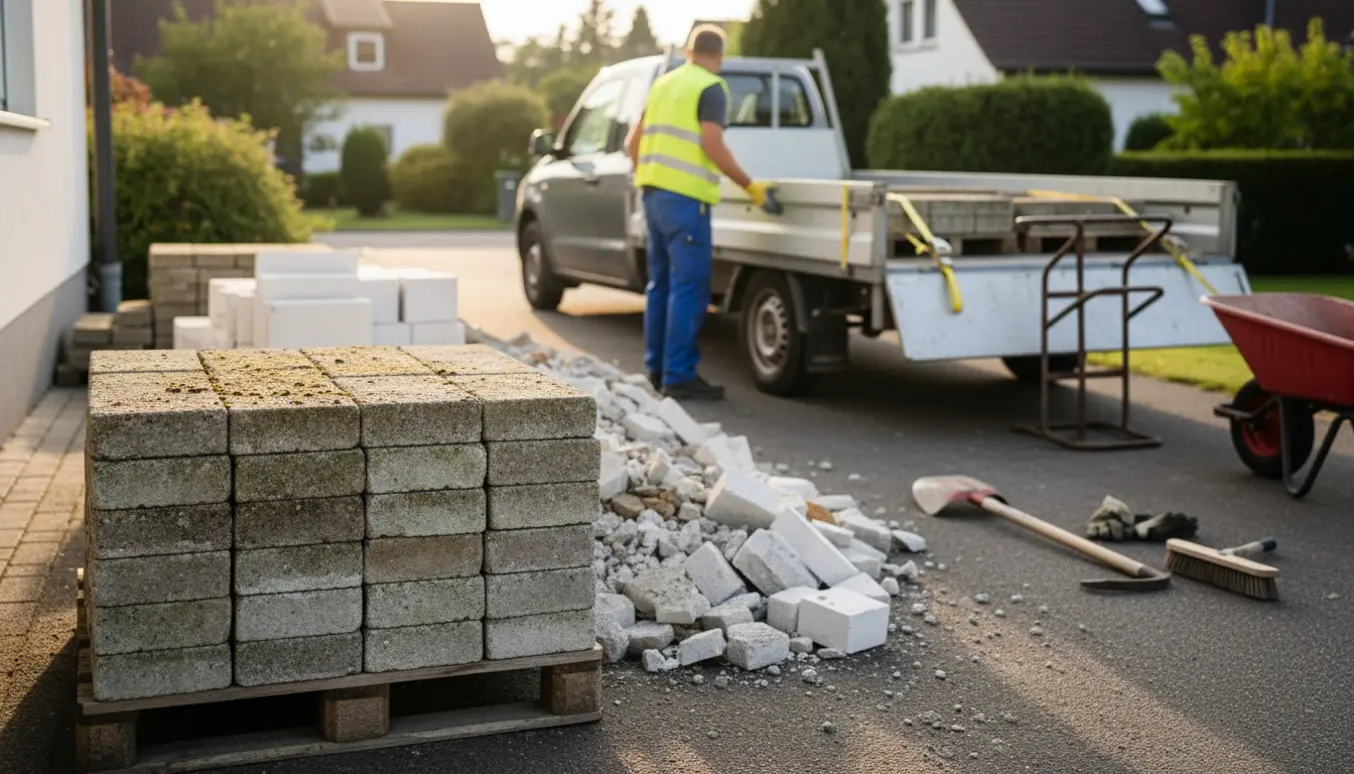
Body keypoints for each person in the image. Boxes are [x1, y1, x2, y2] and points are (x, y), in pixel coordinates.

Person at [624, 24, 770, 402]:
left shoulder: (663, 84)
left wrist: (649, 175)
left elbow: (631, 143)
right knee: (689, 287)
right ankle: (680, 375)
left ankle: (657, 369)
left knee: (661, 285)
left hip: (653, 198)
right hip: (686, 203)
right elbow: (713, 145)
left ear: (689, 51)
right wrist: (751, 186)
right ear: (719, 56)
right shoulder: (710, 87)